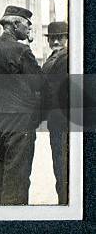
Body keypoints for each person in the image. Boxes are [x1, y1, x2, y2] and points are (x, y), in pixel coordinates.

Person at [0, 6, 44, 205]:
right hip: (20, 121)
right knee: (17, 177)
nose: (29, 29)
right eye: (27, 24)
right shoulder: (21, 50)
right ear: (15, 24)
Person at [42, 21, 69, 204]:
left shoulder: (67, 58)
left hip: (64, 119)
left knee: (63, 164)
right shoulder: (53, 58)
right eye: (52, 38)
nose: (56, 41)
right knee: (58, 163)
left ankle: (66, 203)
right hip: (56, 120)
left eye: (60, 37)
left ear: (67, 38)